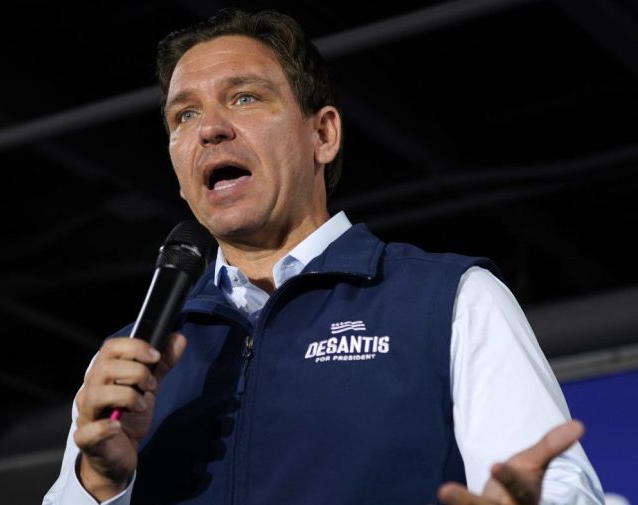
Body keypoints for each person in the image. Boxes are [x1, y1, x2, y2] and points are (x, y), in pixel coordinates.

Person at [44, 8, 604, 505]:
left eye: (244, 97)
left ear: (324, 134)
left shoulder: (447, 300)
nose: (210, 129)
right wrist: (98, 481)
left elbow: (553, 488)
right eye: (183, 116)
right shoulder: (130, 359)